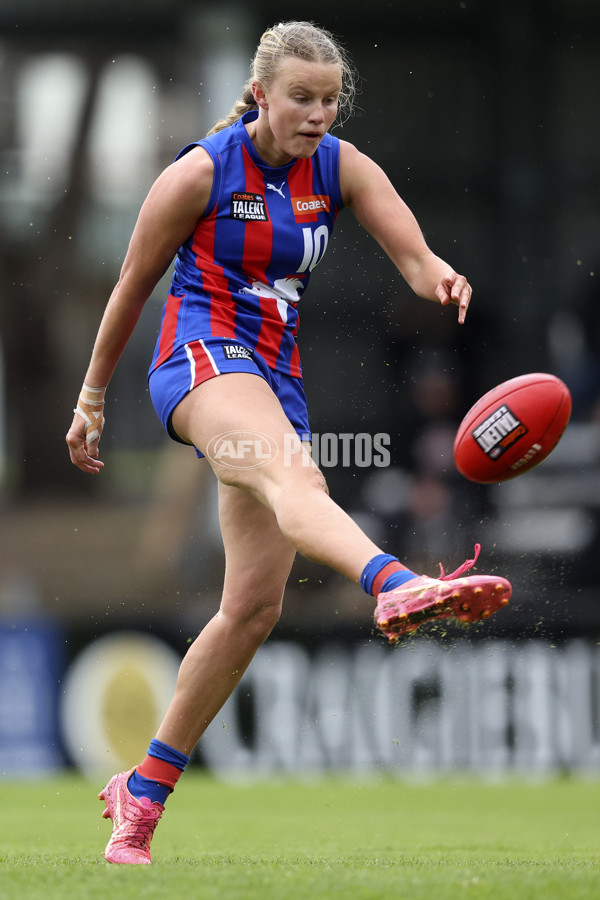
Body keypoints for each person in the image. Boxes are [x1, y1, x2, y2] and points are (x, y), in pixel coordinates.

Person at [66, 20, 511, 865]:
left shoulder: (341, 168)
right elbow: (131, 287)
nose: (317, 114)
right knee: (297, 480)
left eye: (330, 99)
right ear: (261, 94)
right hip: (199, 359)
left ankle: (143, 793)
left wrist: (439, 275)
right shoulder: (200, 172)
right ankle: (395, 581)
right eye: (301, 98)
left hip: (275, 379)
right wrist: (90, 399)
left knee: (252, 609)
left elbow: (412, 257)